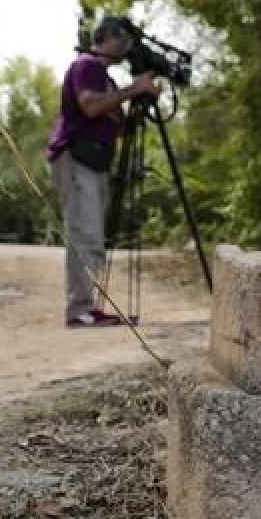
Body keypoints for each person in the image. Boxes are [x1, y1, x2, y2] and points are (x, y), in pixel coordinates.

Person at [47, 17, 160, 328]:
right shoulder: (87, 64)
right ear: (107, 38)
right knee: (85, 233)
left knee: (94, 234)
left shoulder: (107, 81)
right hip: (76, 158)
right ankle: (80, 311)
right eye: (122, 39)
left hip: (94, 162)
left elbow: (118, 125)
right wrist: (133, 87)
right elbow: (90, 107)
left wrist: (141, 98)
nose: (126, 47)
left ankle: (88, 308)